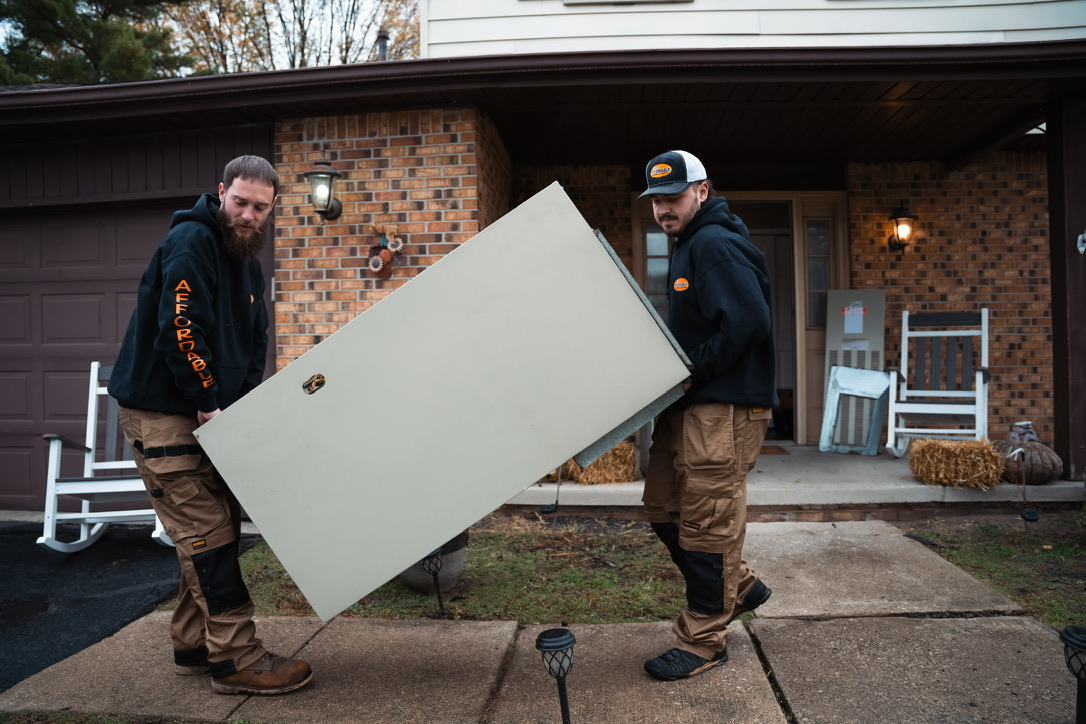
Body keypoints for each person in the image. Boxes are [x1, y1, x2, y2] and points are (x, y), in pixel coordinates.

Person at [109, 155, 313, 696]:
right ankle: (237, 659)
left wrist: (239, 405)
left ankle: (193, 642)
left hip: (210, 414)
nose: (247, 215)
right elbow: (181, 328)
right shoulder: (192, 243)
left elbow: (255, 340)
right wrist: (205, 398)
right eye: (240, 202)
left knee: (214, 522)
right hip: (162, 413)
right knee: (209, 534)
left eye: (259, 208)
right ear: (221, 192)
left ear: (272, 209)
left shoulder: (246, 257)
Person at [637, 150, 777, 682]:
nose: (663, 209)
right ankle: (738, 585)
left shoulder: (714, 243)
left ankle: (702, 642)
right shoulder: (691, 244)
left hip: (721, 407)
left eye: (673, 198)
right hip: (692, 405)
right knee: (663, 507)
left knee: (708, 524)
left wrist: (695, 371)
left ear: (702, 191)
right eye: (656, 200)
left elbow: (747, 322)